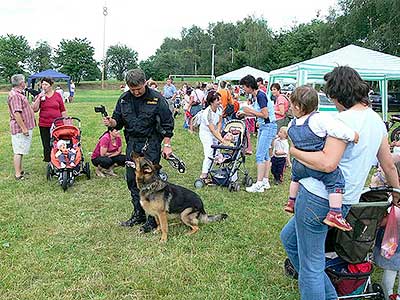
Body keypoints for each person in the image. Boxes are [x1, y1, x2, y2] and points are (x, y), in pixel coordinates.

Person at [280, 66, 400, 300]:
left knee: (312, 267)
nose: (332, 101)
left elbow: (327, 163)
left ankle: (319, 291)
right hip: (343, 201)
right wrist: (396, 190)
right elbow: (387, 165)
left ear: (338, 94)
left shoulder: (338, 121)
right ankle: (330, 295)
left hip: (317, 197)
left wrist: (294, 151)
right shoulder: (377, 122)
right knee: (289, 239)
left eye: (331, 96)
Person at [103, 68, 174, 233]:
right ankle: (139, 213)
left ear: (145, 83)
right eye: (132, 89)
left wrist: (167, 144)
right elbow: (117, 122)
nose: (135, 92)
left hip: (151, 143)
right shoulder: (124, 99)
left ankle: (152, 218)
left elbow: (167, 124)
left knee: (150, 183)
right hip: (133, 145)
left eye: (139, 89)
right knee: (132, 180)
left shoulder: (157, 99)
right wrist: (111, 122)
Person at [284, 86, 360, 232]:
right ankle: (335, 213)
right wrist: (353, 135)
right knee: (336, 180)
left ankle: (291, 201)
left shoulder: (291, 124)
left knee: (295, 179)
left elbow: (292, 140)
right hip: (315, 163)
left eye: (291, 104)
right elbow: (337, 130)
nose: (290, 108)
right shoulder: (318, 119)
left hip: (299, 164)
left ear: (298, 107)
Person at [237, 75, 277, 192]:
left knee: (260, 155)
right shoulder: (257, 96)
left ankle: (259, 183)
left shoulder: (260, 96)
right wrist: (245, 114)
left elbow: (265, 115)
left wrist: (249, 111)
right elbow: (259, 113)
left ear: (249, 86)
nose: (243, 89)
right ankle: (265, 181)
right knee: (265, 155)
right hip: (266, 126)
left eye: (244, 87)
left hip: (268, 126)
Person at [372, 160, 400, 300]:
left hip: (392, 244)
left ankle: (388, 294)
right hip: (394, 243)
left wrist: (377, 222)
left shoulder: (394, 198)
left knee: (391, 270)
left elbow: (385, 221)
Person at [32, 77, 68, 163]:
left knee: (58, 142)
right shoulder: (40, 96)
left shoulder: (57, 95)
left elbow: (62, 109)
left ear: (51, 85)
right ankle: (49, 161)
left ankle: (59, 159)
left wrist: (66, 122)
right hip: (44, 124)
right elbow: (35, 109)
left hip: (57, 123)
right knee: (46, 144)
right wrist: (38, 98)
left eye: (46, 84)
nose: (43, 86)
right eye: (42, 84)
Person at [7, 74, 35, 180]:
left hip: (23, 127)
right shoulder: (15, 95)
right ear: (21, 83)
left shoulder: (18, 94)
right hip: (20, 128)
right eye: (24, 81)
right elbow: (17, 114)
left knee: (21, 149)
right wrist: (24, 128)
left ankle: (20, 170)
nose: (25, 83)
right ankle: (18, 174)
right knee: (18, 151)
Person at [198, 90, 225, 181]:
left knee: (217, 151)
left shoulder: (220, 108)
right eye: (217, 100)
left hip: (215, 131)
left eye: (220, 100)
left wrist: (219, 132)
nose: (220, 102)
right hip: (206, 133)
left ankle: (214, 169)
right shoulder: (207, 113)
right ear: (211, 102)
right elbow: (212, 130)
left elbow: (220, 122)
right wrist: (222, 140)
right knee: (209, 152)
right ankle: (204, 174)